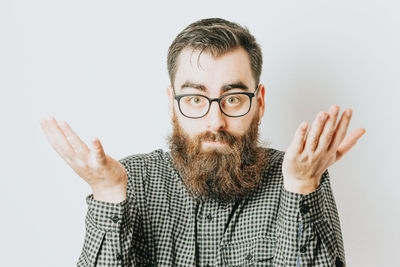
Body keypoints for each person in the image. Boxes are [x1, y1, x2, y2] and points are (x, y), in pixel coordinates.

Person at [39, 18, 366, 267]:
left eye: (234, 99)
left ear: (260, 102)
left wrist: (302, 186)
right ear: (172, 104)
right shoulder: (130, 181)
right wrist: (108, 195)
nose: (215, 122)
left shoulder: (300, 177)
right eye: (196, 99)